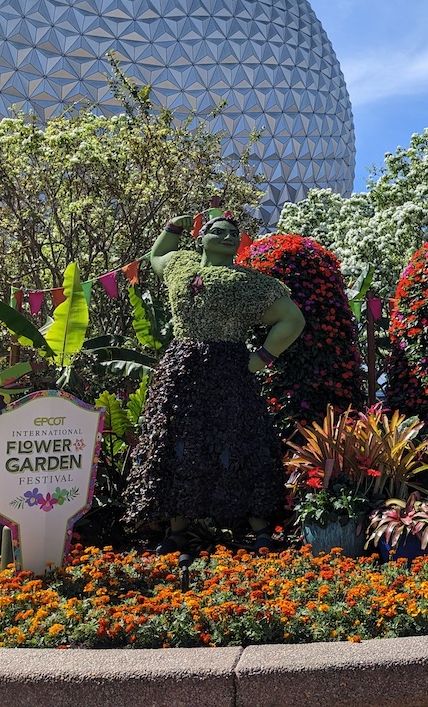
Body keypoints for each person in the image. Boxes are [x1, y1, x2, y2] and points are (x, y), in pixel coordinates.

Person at [122, 208, 305, 554]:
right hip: (183, 367)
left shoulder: (249, 282)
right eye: (218, 231)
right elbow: (158, 254)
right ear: (201, 237)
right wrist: (173, 224)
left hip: (229, 367)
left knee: (239, 439)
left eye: (233, 234)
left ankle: (259, 526)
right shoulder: (181, 267)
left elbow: (292, 319)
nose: (228, 237)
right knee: (180, 440)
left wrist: (262, 358)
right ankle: (178, 528)